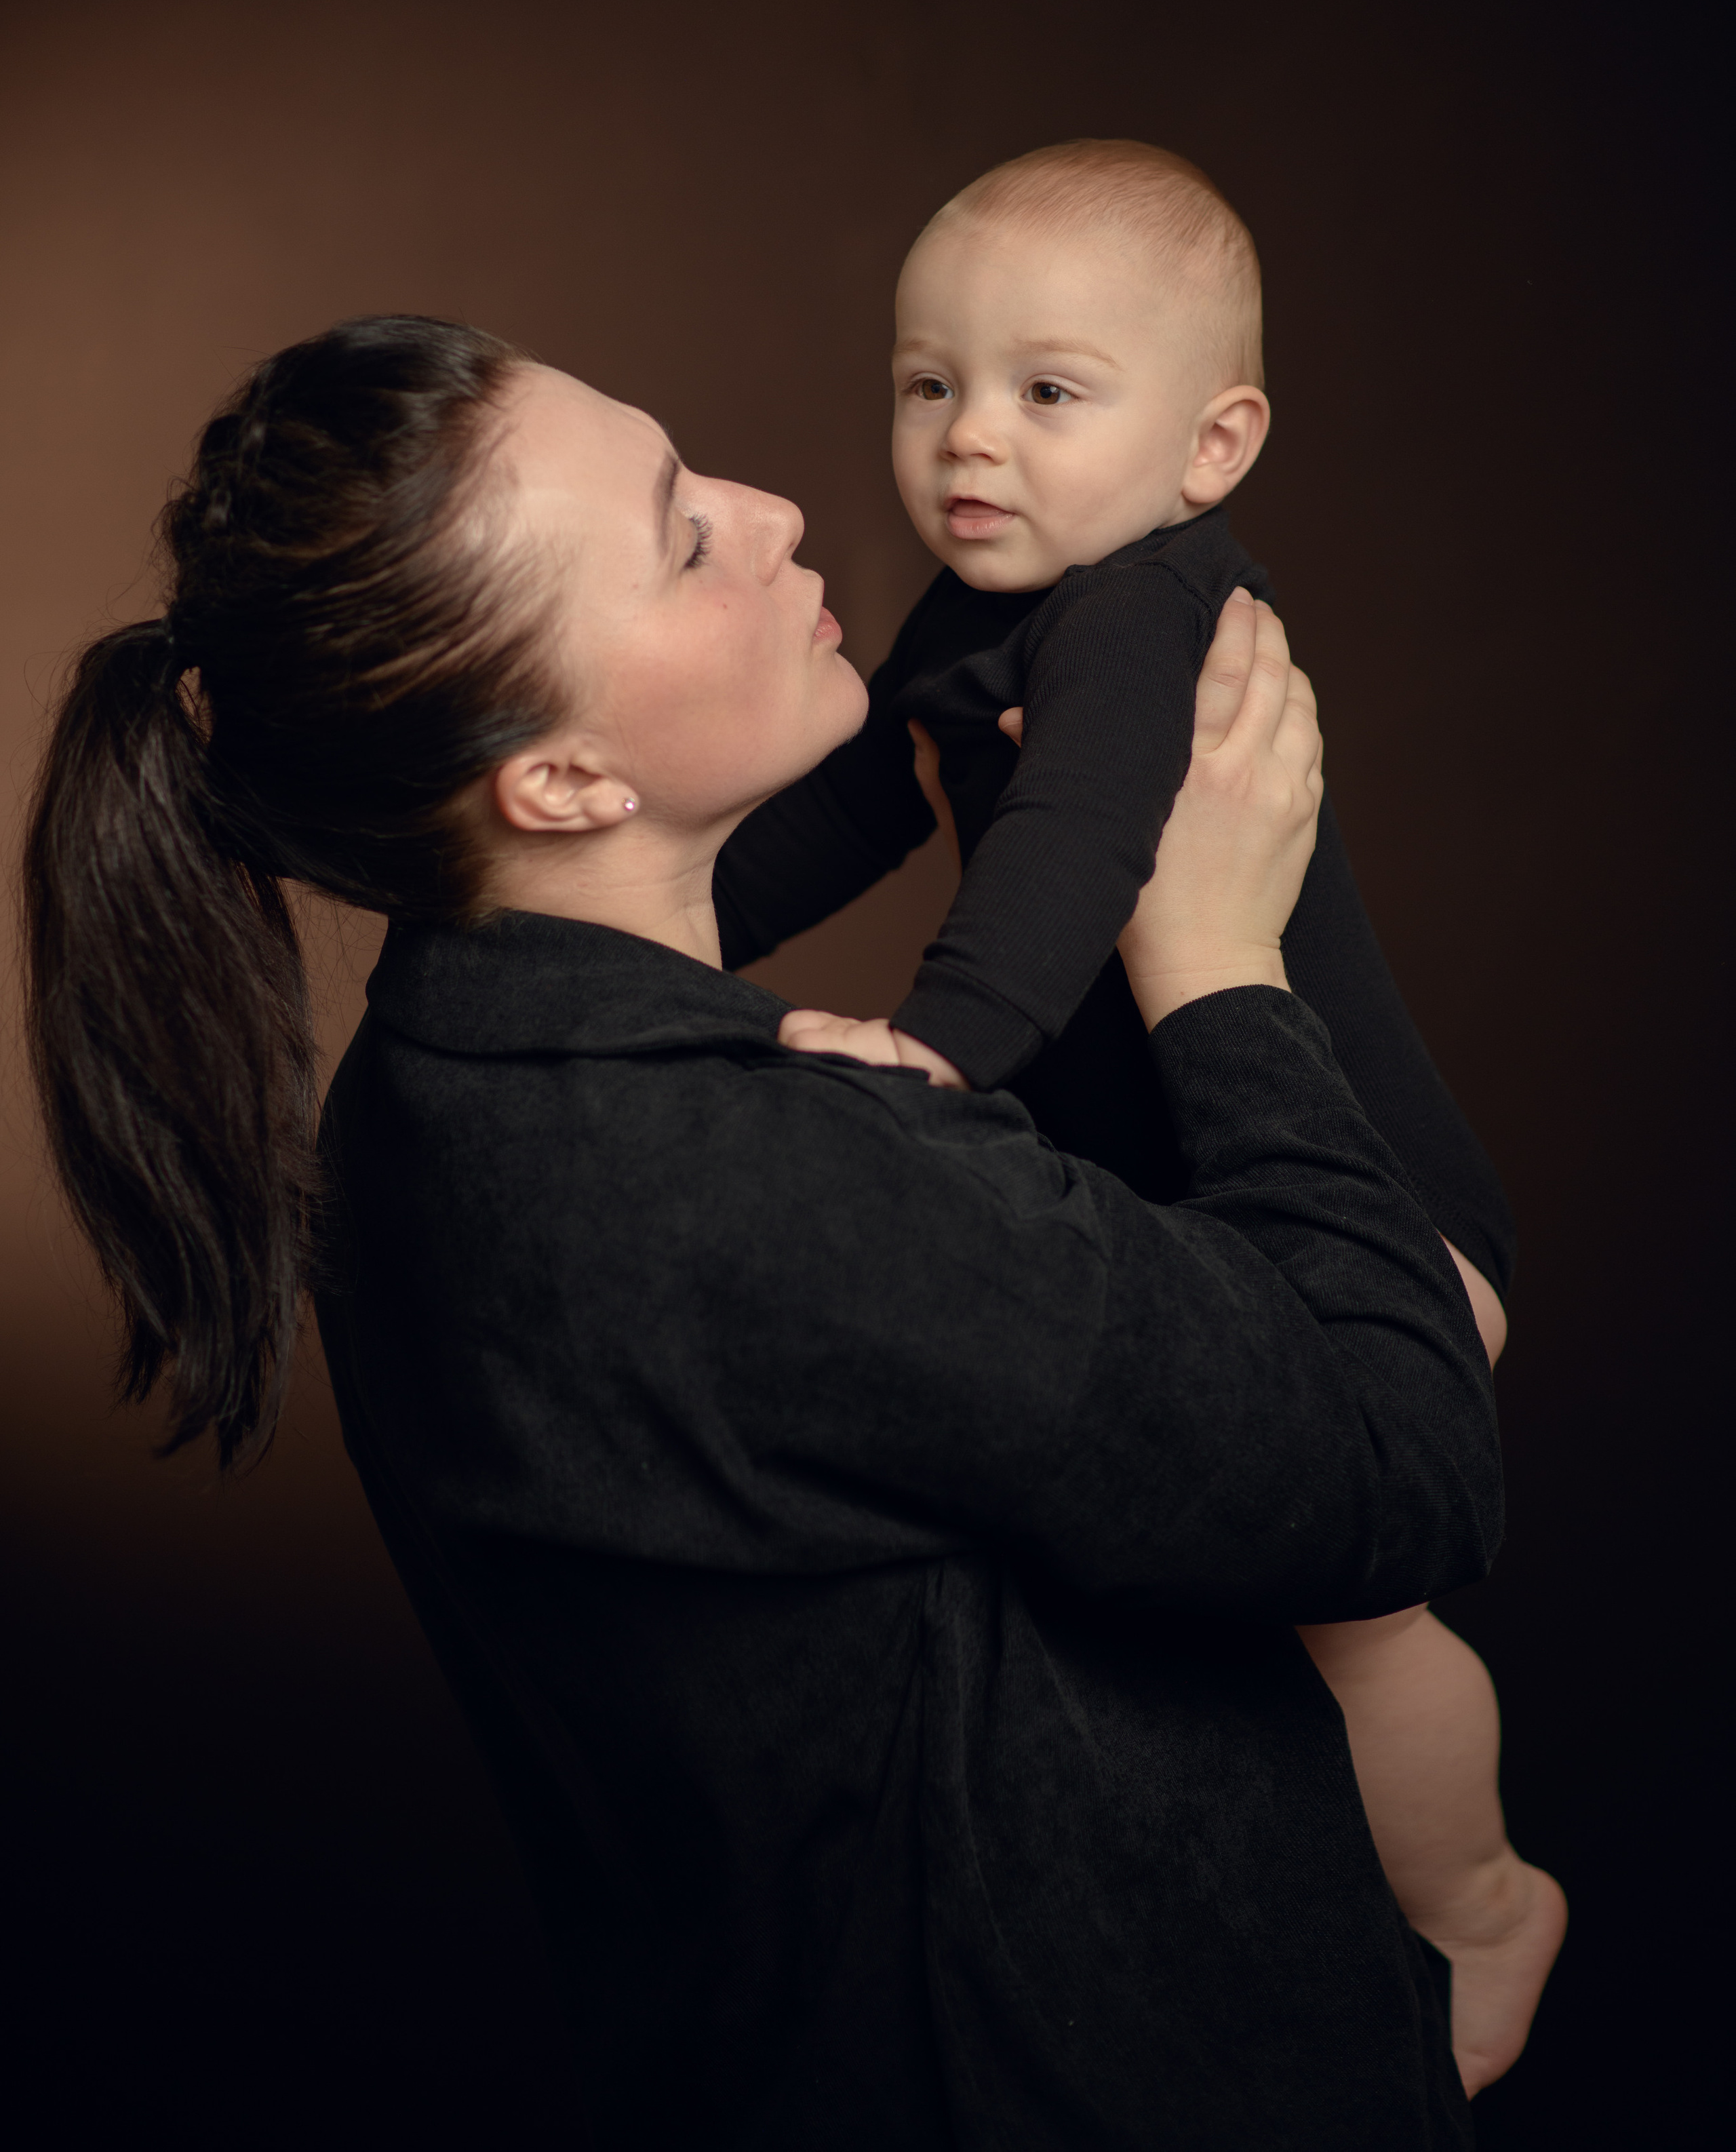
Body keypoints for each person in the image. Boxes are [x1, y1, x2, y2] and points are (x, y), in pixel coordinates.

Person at [25, 315, 1503, 2148]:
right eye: (679, 536)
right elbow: (1409, 1461)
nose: (779, 511)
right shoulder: (766, 1178)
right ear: (559, 785)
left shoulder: (429, 1091)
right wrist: (1212, 962)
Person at [715, 142, 1566, 2092]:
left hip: (1367, 1215)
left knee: (1358, 1625)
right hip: (1189, 1215)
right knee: (1191, 1624)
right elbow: (853, 809)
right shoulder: (982, 611)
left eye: (1048, 390)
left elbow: (1087, 849)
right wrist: (681, 954)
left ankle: (1482, 1903)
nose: (967, 441)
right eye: (930, 383)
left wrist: (941, 1050)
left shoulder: (1145, 615)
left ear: (1215, 444)